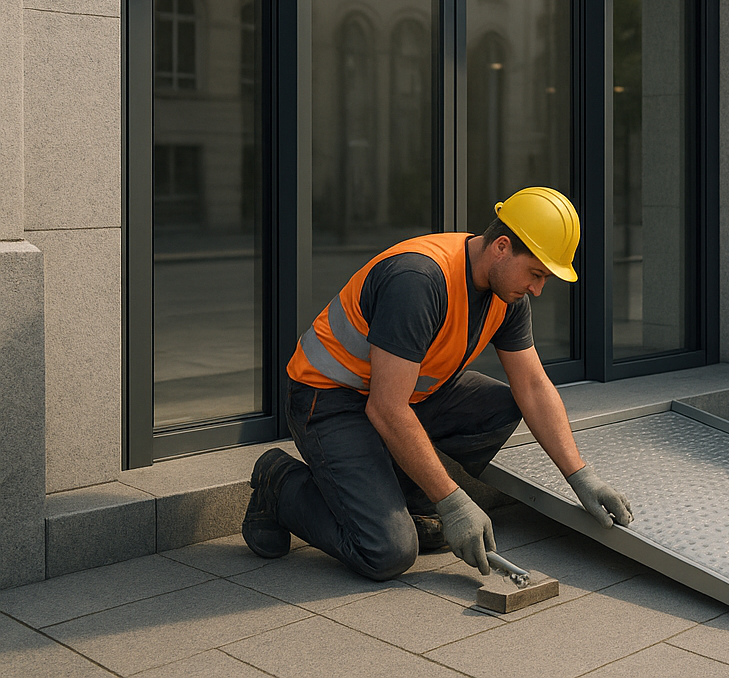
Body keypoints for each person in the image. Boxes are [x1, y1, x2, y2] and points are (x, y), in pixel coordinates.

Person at [241, 186, 633, 580]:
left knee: (503, 407)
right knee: (388, 551)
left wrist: (582, 477)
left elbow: (532, 387)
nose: (537, 288)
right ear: (501, 246)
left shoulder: (506, 295)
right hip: (329, 401)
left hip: (404, 398)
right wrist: (451, 502)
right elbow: (386, 408)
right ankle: (280, 482)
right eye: (535, 273)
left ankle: (399, 495)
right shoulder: (419, 281)